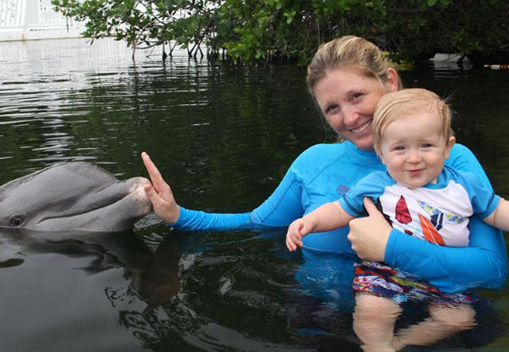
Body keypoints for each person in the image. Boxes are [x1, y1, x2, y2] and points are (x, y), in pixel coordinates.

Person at [140, 36, 506, 302]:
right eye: (332, 108)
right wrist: (179, 215)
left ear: (390, 82)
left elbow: (492, 270)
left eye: (357, 96)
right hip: (324, 319)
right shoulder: (313, 163)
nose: (349, 117)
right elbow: (256, 223)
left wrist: (391, 247)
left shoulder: (447, 162)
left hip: (432, 316)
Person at [286, 88, 509, 351]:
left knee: (459, 318)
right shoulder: (378, 184)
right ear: (381, 152)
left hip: (442, 277)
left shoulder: (464, 185)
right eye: (400, 148)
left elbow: (496, 211)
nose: (414, 158)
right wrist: (309, 222)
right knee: (373, 311)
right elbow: (340, 210)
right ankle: (377, 346)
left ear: (447, 147)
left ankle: (400, 342)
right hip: (386, 272)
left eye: (426, 145)